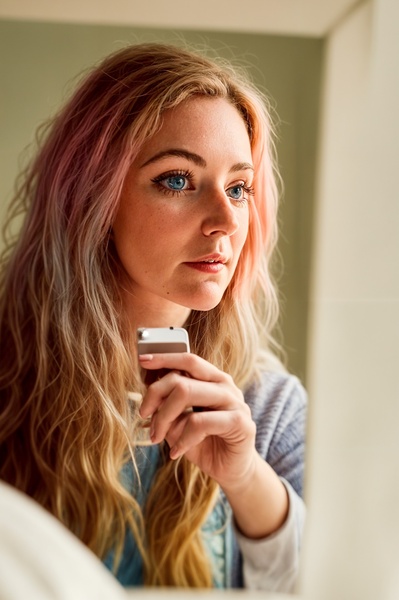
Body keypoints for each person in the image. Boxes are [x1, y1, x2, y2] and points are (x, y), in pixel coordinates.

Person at [0, 42, 306, 592]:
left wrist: (245, 478)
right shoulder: (7, 382)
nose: (225, 220)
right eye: (177, 180)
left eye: (239, 188)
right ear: (95, 198)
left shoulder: (271, 410)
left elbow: (344, 581)